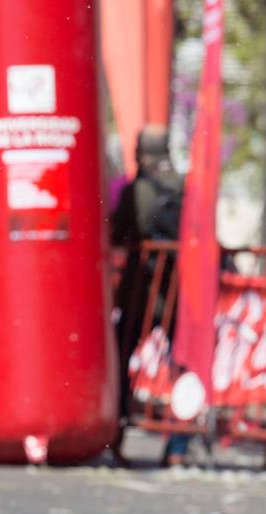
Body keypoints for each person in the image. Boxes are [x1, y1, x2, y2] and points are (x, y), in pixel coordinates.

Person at [110, 125, 188, 467]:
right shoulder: (186, 188)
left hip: (141, 290)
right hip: (177, 291)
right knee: (183, 368)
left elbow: (116, 232)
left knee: (120, 359)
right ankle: (178, 449)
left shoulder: (136, 190)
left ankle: (115, 436)